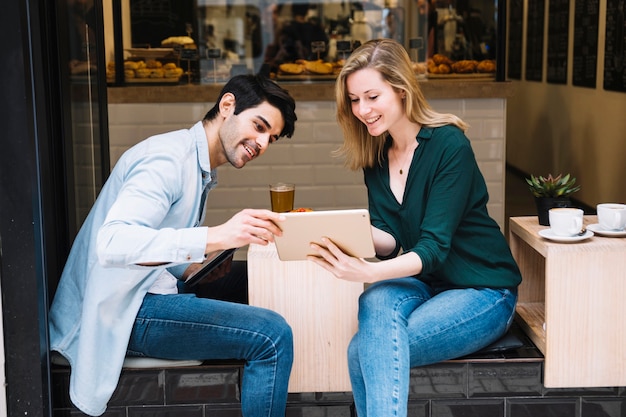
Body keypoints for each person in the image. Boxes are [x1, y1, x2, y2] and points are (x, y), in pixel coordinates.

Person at [48, 74, 297, 417]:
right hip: (126, 309)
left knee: (253, 277)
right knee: (272, 335)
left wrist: (192, 267)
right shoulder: (166, 159)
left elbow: (156, 243)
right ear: (228, 106)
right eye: (259, 125)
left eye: (271, 137)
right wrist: (218, 236)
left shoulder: (197, 165)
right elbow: (114, 243)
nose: (262, 142)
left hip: (148, 288)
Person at [309, 39, 521, 417]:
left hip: (482, 288)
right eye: (355, 100)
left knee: (363, 350)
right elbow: (391, 240)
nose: (363, 110)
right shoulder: (374, 155)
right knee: (373, 299)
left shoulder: (449, 145)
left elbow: (432, 248)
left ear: (402, 90)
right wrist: (333, 231)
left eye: (372, 96)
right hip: (426, 284)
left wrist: (368, 271)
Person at [263, 3, 329, 73]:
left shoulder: (287, 29)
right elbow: (325, 49)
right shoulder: (317, 29)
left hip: (293, 72)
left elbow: (283, 54)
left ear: (292, 11)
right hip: (317, 72)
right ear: (307, 11)